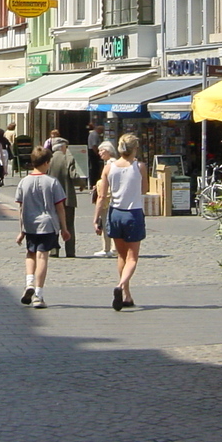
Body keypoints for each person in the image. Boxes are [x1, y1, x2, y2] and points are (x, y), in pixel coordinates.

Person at [93, 133, 148, 310]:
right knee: (132, 257)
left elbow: (101, 196)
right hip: (133, 213)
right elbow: (144, 189)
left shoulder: (109, 168)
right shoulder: (139, 167)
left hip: (115, 213)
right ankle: (120, 285)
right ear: (135, 149)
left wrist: (96, 218)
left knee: (121, 255)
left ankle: (127, 294)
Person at [13, 147, 70, 309]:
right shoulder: (52, 182)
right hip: (48, 224)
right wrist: (64, 228)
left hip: (30, 224)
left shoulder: (24, 182)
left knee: (30, 254)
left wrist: (21, 230)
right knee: (42, 256)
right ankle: (38, 294)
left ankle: (29, 282)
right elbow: (60, 207)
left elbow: (21, 208)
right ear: (46, 163)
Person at [47, 138, 80, 258]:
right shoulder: (68, 158)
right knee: (69, 224)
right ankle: (70, 251)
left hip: (52, 198)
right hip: (67, 198)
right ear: (62, 147)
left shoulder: (48, 160)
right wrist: (81, 183)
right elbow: (73, 175)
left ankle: (53, 250)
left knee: (54, 224)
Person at [91, 141, 117, 258]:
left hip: (107, 198)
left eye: (102, 150)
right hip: (111, 197)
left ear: (108, 151)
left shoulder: (110, 165)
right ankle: (111, 248)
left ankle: (108, 248)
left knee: (107, 222)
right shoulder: (113, 163)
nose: (99, 153)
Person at [87, 124, 105, 188]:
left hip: (92, 151)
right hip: (93, 152)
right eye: (102, 131)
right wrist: (97, 153)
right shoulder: (95, 135)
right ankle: (94, 182)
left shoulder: (92, 134)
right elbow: (94, 145)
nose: (102, 132)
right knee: (95, 167)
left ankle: (93, 181)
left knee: (94, 167)